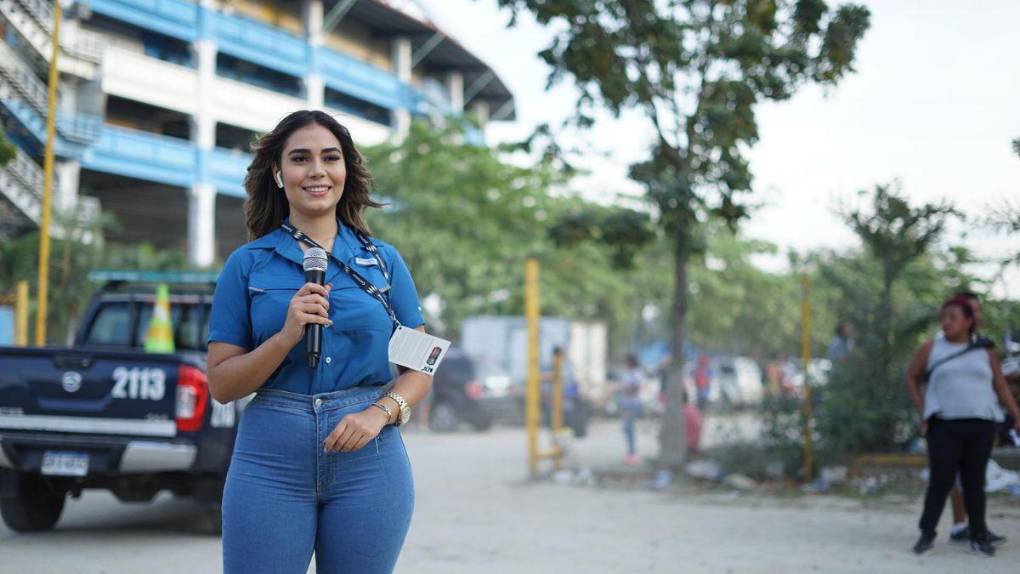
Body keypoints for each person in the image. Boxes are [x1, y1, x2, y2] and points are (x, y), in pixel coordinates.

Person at [206, 110, 431, 574]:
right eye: (300, 158)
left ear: (345, 171)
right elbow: (223, 385)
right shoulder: (247, 265)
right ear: (278, 171)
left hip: (368, 460)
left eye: (330, 158)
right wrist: (286, 336)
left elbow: (420, 367)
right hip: (270, 459)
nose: (316, 171)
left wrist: (379, 412)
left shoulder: (384, 264)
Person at [906, 295, 1020, 556]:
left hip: (980, 424)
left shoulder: (985, 350)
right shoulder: (931, 348)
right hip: (944, 425)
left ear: (969, 321)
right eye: (943, 318)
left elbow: (1000, 385)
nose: (946, 322)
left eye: (953, 318)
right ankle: (927, 532)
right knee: (941, 481)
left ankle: (979, 535)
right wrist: (924, 409)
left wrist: (1016, 414)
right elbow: (911, 377)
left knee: (974, 483)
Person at [619, 355, 644, 465]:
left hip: (632, 405)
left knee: (628, 428)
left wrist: (625, 390)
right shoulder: (629, 374)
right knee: (627, 429)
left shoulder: (635, 374)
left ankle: (632, 453)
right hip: (626, 405)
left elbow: (636, 388)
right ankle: (630, 452)